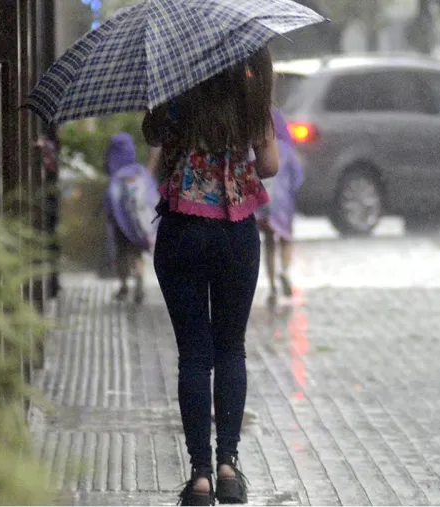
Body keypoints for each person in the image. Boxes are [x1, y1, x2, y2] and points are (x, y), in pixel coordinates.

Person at [143, 47, 279, 506]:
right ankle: (227, 465)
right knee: (230, 348)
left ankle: (199, 475)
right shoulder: (250, 94)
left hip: (182, 232)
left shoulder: (175, 95)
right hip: (235, 233)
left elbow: (156, 150)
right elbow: (270, 166)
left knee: (194, 356)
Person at [255, 108, 304, 306]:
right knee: (285, 239)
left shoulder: (260, 150)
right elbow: (297, 178)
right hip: (283, 206)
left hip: (264, 204)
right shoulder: (288, 152)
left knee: (268, 242)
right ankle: (284, 270)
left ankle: (273, 285)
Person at [103, 133, 159, 303]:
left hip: (120, 224)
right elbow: (151, 197)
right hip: (138, 225)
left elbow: (110, 200)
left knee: (121, 254)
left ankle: (123, 287)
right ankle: (139, 280)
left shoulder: (116, 175)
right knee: (137, 254)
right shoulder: (139, 172)